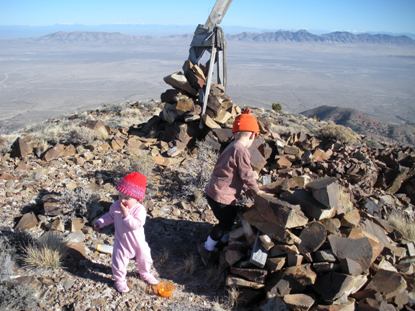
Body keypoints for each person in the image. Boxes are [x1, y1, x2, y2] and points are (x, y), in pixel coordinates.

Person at [199, 108, 263, 265]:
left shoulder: (232, 146)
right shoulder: (241, 150)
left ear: (235, 132)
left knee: (231, 216)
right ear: (253, 135)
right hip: (221, 196)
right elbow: (246, 175)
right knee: (225, 223)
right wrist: (257, 192)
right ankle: (207, 249)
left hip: (216, 192)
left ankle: (225, 240)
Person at [94, 172, 159, 293]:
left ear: (137, 198)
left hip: (138, 242)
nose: (122, 200)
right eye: (120, 196)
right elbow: (110, 216)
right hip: (122, 241)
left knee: (145, 258)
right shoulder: (116, 206)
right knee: (118, 261)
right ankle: (119, 280)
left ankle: (144, 273)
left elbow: (135, 225)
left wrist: (126, 215)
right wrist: (100, 222)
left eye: (127, 198)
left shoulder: (139, 210)